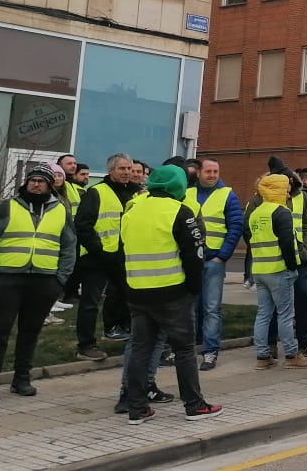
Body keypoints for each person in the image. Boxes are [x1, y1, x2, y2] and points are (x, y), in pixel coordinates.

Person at [119, 164, 221, 424]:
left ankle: (136, 408)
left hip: (137, 290)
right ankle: (194, 405)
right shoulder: (180, 211)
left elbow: (123, 249)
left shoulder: (132, 210)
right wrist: (194, 288)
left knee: (141, 349)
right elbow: (194, 255)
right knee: (184, 350)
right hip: (172, 292)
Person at [0, 164, 75, 404]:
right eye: (33, 180)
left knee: (30, 333)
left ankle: (21, 380)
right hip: (5, 280)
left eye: (41, 181)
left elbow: (69, 247)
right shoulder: (7, 207)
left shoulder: (61, 211)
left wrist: (60, 279)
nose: (36, 185)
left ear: (50, 186)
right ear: (26, 183)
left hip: (44, 282)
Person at [74, 153, 137, 361]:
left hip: (123, 257)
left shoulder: (135, 194)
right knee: (90, 303)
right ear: (110, 171)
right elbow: (83, 226)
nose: (127, 172)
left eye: (129, 168)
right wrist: (99, 250)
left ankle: (121, 332)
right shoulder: (96, 192)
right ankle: (86, 345)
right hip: (97, 259)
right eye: (122, 168)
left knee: (128, 298)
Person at [247, 174, 307, 370]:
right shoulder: (281, 212)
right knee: (285, 314)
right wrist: (292, 266)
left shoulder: (256, 212)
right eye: (285, 189)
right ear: (277, 190)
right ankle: (291, 355)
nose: (288, 193)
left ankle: (262, 356)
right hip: (279, 269)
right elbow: (287, 243)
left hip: (260, 269)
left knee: (263, 314)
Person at [187, 159, 243, 372]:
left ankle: (210, 351)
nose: (212, 175)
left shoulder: (227, 195)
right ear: (199, 172)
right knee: (188, 307)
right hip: (191, 260)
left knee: (211, 308)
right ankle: (186, 349)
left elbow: (235, 226)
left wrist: (223, 255)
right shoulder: (188, 193)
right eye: (208, 171)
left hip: (213, 260)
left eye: (215, 171)